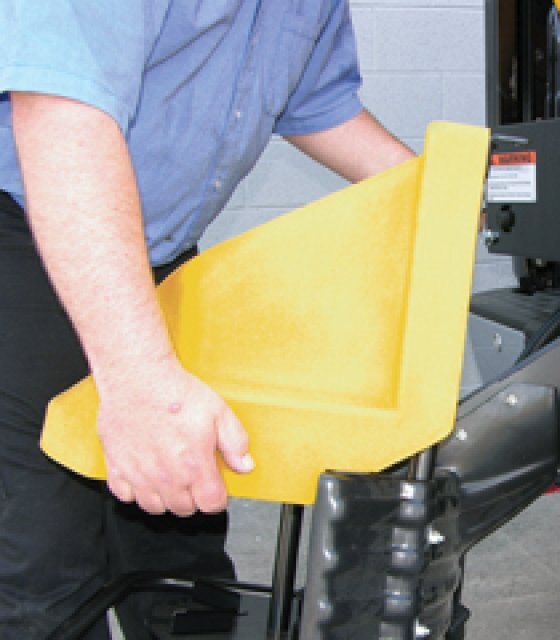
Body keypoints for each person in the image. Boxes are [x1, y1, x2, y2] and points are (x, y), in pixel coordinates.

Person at [0, 2, 415, 638]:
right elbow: (61, 111)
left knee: (179, 525)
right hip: (31, 228)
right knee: (46, 552)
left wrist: (443, 191)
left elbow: (320, 103)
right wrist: (142, 383)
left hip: (158, 250)